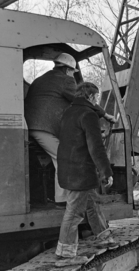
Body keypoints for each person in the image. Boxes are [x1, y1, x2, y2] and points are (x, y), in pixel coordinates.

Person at [24, 53, 116, 206]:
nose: (73, 75)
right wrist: (105, 115)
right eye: (73, 72)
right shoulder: (65, 80)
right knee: (63, 158)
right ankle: (63, 200)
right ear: (67, 69)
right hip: (42, 128)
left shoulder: (41, 79)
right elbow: (82, 100)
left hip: (31, 126)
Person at [55, 82, 116, 266]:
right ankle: (65, 255)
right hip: (80, 171)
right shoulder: (88, 115)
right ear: (91, 97)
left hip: (68, 169)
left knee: (92, 203)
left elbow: (76, 138)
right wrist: (106, 172)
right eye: (96, 97)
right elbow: (95, 148)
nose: (97, 101)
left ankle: (104, 237)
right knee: (74, 212)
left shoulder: (69, 112)